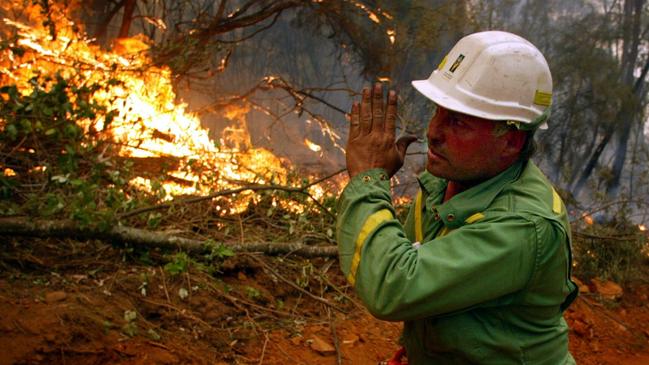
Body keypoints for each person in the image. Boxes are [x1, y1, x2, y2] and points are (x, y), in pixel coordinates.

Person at [336, 31, 578, 364]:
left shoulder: (524, 226)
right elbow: (430, 287)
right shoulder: (446, 183)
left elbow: (392, 286)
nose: (433, 132)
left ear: (511, 141)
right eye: (438, 112)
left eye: (458, 122)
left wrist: (369, 179)